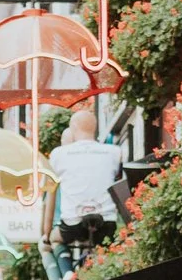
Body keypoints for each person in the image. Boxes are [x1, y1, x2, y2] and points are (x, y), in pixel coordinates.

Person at [48, 107, 125, 262]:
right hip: (106, 221)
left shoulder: (58, 154)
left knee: (54, 239)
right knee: (106, 248)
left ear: (73, 128)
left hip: (73, 222)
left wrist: (45, 233)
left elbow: (50, 193)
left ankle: (67, 272)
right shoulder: (115, 152)